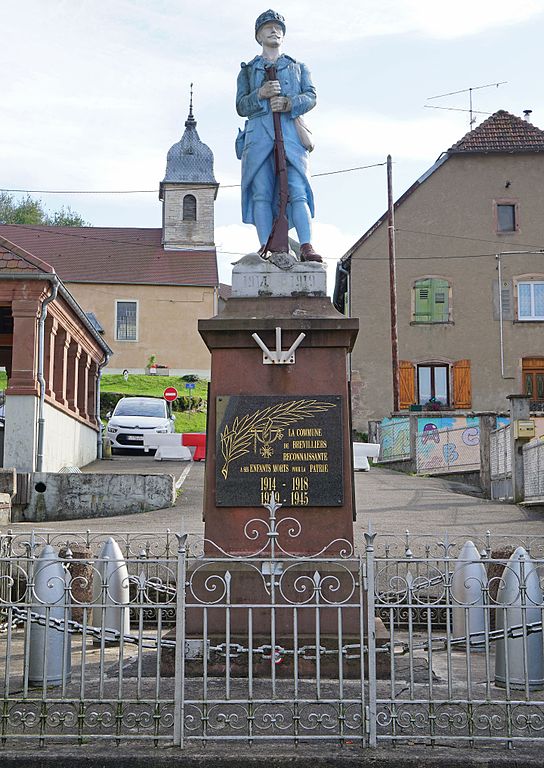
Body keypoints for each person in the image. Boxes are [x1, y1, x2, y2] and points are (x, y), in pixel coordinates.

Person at [236, 9, 322, 262]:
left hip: (290, 136)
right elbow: (241, 106)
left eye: (278, 28)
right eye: (268, 28)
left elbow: (311, 96)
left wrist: (288, 103)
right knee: (261, 192)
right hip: (259, 135)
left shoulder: (297, 66)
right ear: (258, 35)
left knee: (298, 190)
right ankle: (266, 247)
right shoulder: (249, 70)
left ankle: (306, 246)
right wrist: (260, 94)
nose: (274, 31)